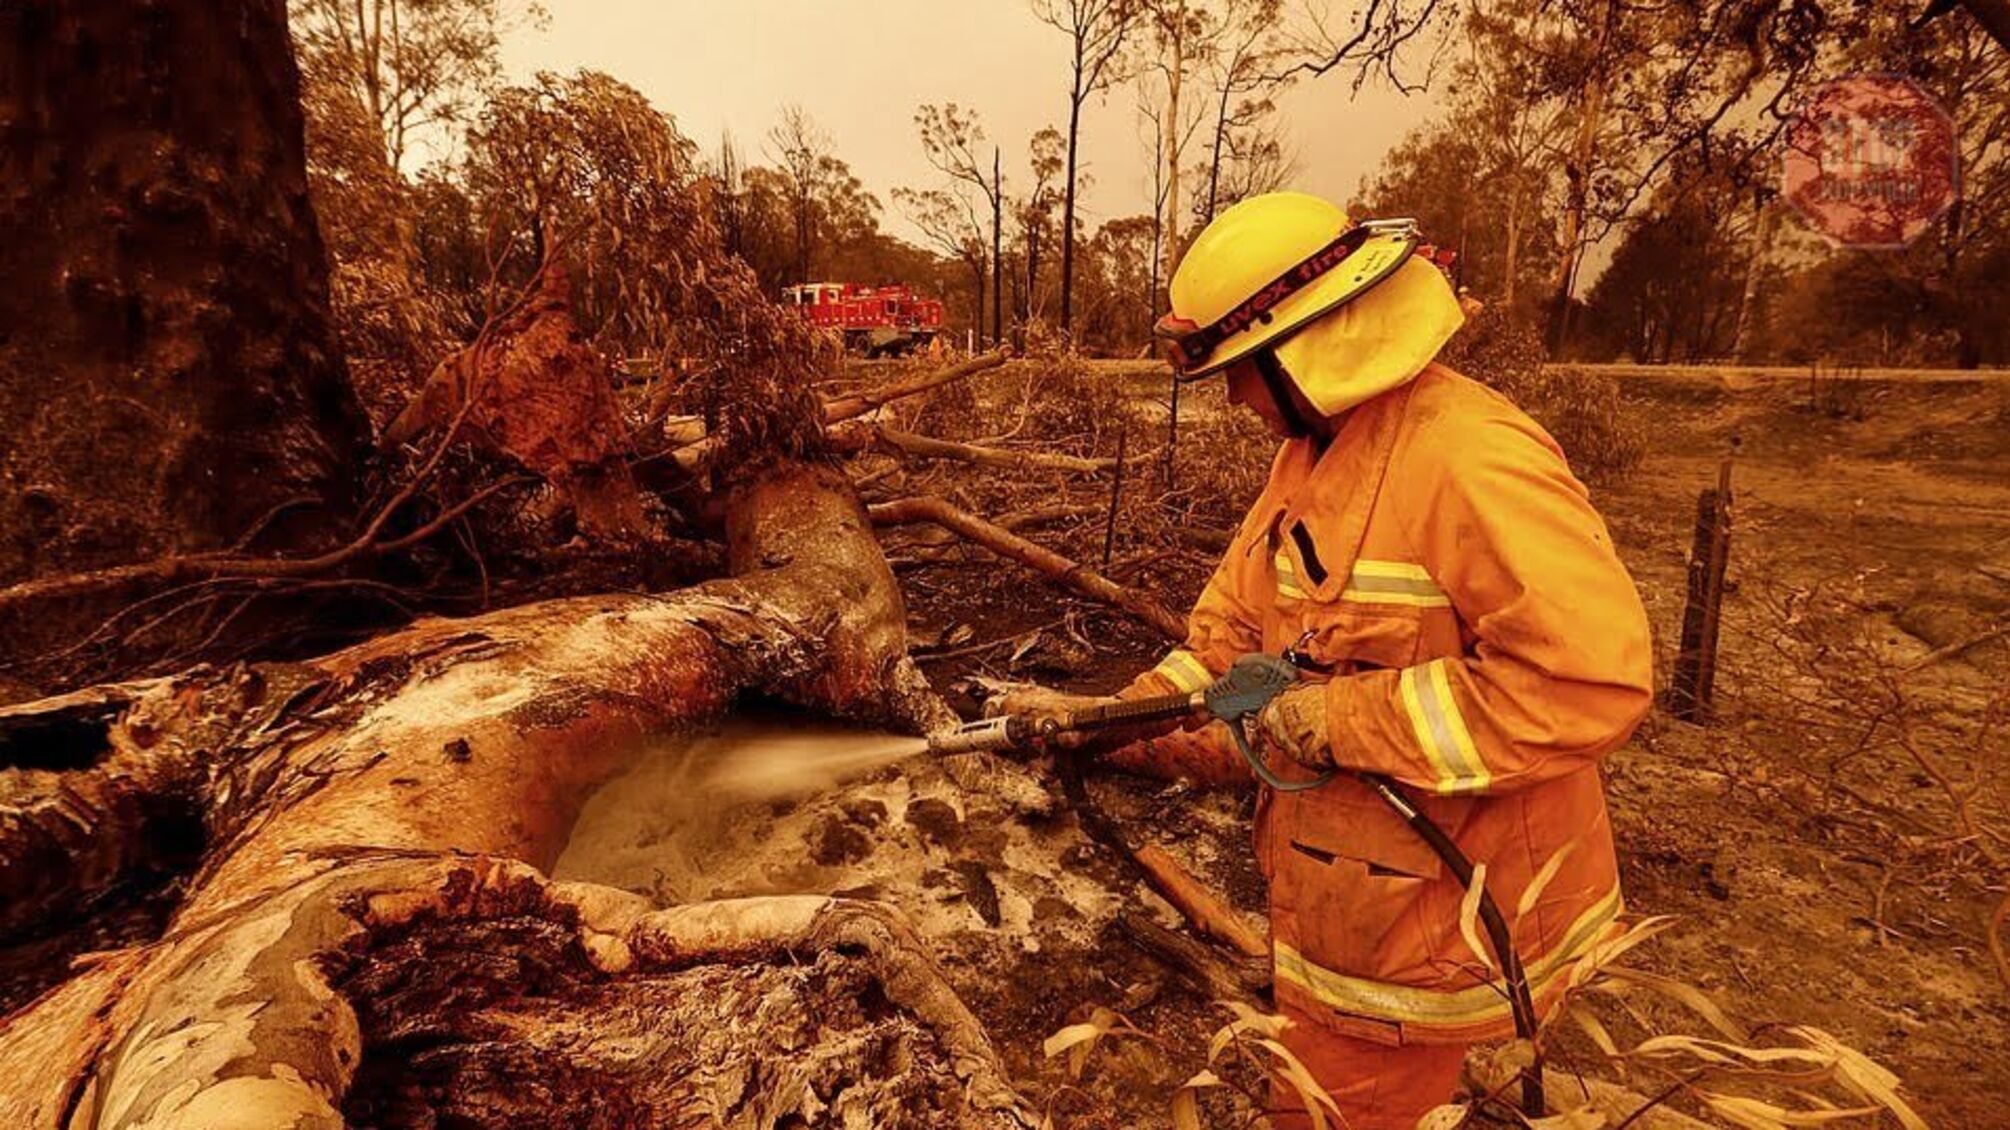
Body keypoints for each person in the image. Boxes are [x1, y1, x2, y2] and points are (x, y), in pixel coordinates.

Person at [1009, 192, 1653, 1128]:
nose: (1234, 397)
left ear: (1309, 341)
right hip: (1353, 904)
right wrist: (1107, 723)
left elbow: (1583, 680)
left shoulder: (1471, 457)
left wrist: (1338, 718)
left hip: (1440, 932)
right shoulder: (1313, 455)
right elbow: (1226, 654)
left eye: (1243, 369)